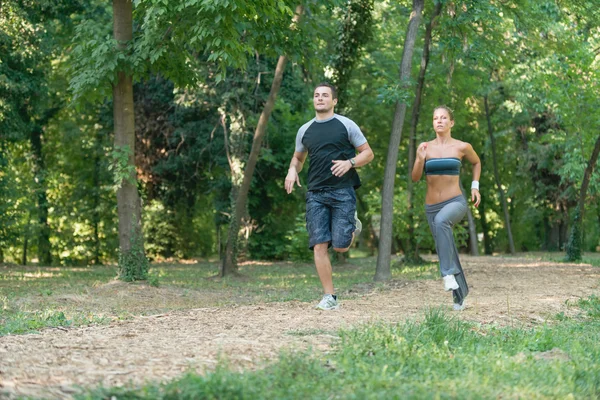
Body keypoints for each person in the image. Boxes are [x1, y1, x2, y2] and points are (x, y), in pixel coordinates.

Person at [285, 82, 374, 310]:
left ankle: (352, 226)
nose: (320, 98)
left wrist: (350, 163)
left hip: (343, 191)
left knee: (341, 246)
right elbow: (298, 158)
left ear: (334, 101)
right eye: (316, 95)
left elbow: (368, 153)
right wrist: (292, 170)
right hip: (315, 193)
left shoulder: (346, 125)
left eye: (325, 95)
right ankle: (330, 297)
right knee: (319, 245)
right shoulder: (305, 130)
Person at [411, 106, 481, 311]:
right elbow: (415, 178)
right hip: (431, 206)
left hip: (455, 202)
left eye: (443, 118)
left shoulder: (462, 147)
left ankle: (447, 273)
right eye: (435, 118)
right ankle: (460, 296)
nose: (439, 121)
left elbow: (476, 163)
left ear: (451, 123)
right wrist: (419, 159)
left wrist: (474, 187)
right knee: (447, 246)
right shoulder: (425, 148)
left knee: (443, 222)